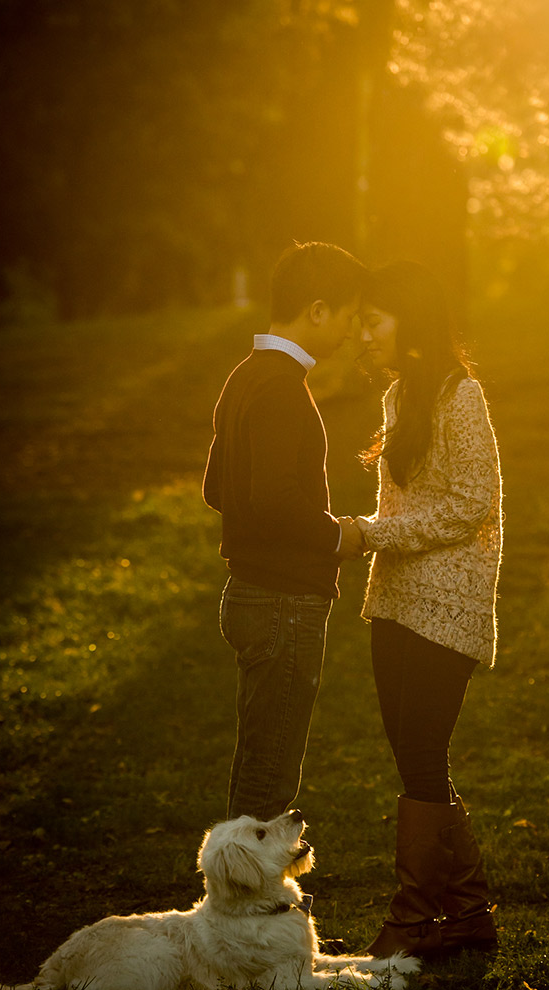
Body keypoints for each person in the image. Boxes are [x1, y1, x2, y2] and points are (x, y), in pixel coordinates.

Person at [353, 261, 503, 958]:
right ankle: (468, 912)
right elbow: (402, 507)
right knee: (418, 757)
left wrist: (368, 535)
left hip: (449, 603)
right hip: (396, 597)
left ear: (409, 323)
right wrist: (361, 537)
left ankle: (413, 919)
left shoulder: (460, 395)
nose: (362, 333)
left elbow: (473, 503)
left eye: (373, 319)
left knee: (420, 752)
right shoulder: (398, 395)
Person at [203, 241, 366, 822]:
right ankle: (247, 906)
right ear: (317, 310)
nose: (350, 332)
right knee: (270, 779)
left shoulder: (245, 376)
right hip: (282, 603)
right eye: (348, 316)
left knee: (258, 762)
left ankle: (239, 898)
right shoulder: (280, 388)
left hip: (251, 594)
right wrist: (335, 537)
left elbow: (216, 490)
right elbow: (271, 499)